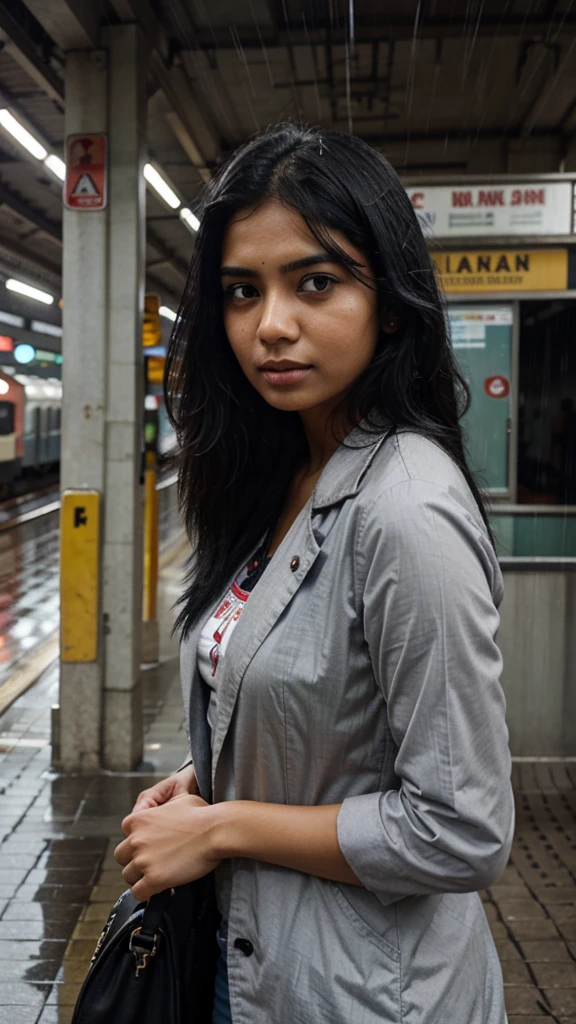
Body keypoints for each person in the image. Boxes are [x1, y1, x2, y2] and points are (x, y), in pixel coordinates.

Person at [115, 122, 515, 1024]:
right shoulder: (285, 475)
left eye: (316, 282)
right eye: (241, 292)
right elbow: (313, 705)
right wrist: (207, 775)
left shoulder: (405, 510)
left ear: (391, 297)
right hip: (257, 965)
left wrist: (220, 828)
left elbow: (462, 831)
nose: (271, 326)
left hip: (364, 995)